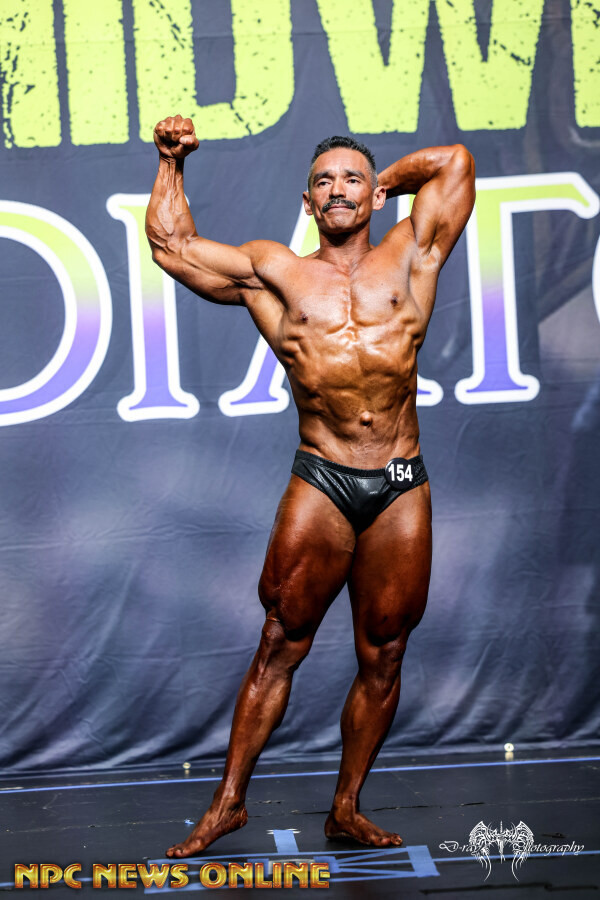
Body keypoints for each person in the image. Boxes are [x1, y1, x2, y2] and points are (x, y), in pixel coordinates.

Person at [146, 115, 475, 858]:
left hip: (400, 482)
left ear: (377, 195)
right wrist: (170, 164)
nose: (338, 190)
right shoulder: (276, 272)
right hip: (323, 477)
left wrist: (384, 178)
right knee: (279, 641)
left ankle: (346, 808)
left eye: (353, 180)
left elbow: (454, 162)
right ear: (307, 200)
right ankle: (228, 804)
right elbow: (172, 246)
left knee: (384, 653)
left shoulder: (413, 254)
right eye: (324, 181)